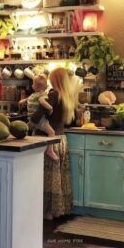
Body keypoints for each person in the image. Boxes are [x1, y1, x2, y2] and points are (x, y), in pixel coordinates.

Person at [30, 67, 80, 219]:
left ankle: (46, 212)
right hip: (60, 140)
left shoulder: (53, 94)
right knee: (57, 178)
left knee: (46, 177)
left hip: (47, 140)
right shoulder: (68, 96)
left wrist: (31, 123)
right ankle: (56, 210)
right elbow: (71, 120)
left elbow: (38, 115)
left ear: (55, 80)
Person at [19, 74, 59, 160]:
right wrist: (50, 107)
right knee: (51, 132)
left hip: (30, 118)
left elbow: (26, 100)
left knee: (25, 132)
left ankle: (24, 148)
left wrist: (22, 101)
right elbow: (42, 101)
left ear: (33, 86)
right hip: (40, 120)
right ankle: (50, 151)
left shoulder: (33, 95)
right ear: (45, 87)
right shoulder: (42, 95)